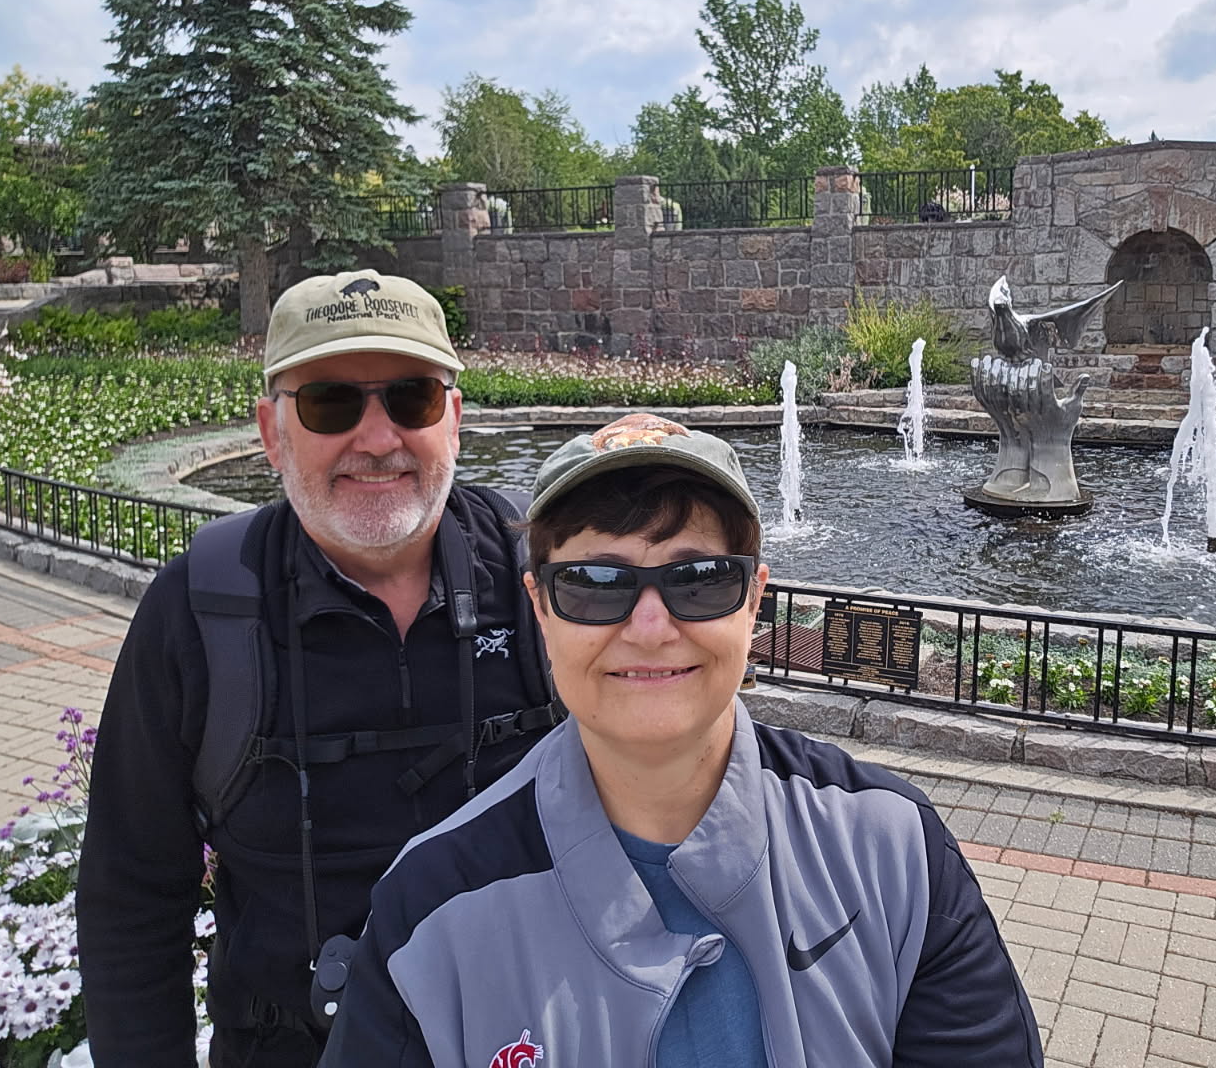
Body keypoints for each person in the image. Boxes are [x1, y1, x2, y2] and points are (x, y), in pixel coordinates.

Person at [320, 412, 1044, 1066]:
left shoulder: (892, 850)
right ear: (539, 605)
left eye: (698, 579)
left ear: (754, 600)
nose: (650, 626)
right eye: (595, 584)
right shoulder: (432, 909)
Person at [77, 270, 562, 1067]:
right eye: (331, 403)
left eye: (411, 399)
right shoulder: (204, 609)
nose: (377, 440)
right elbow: (131, 897)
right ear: (273, 432)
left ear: (455, 421)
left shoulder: (543, 575)